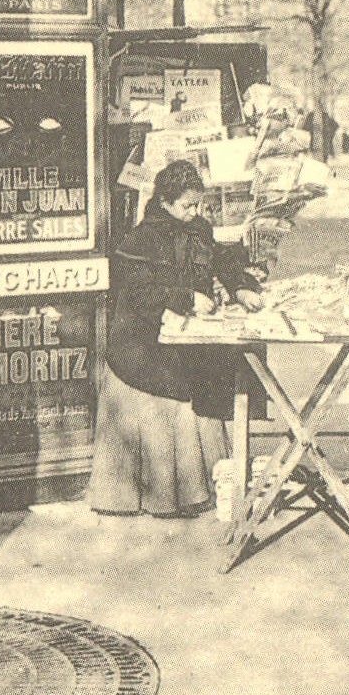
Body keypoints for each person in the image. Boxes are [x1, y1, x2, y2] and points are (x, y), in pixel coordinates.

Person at [87, 160, 263, 517]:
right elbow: (139, 294)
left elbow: (220, 262)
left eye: (199, 204)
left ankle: (203, 487)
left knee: (216, 365)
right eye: (188, 205)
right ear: (166, 201)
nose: (196, 212)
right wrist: (185, 299)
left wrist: (241, 287)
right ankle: (162, 495)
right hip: (142, 345)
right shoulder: (140, 239)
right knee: (182, 380)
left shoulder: (197, 229)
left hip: (180, 338)